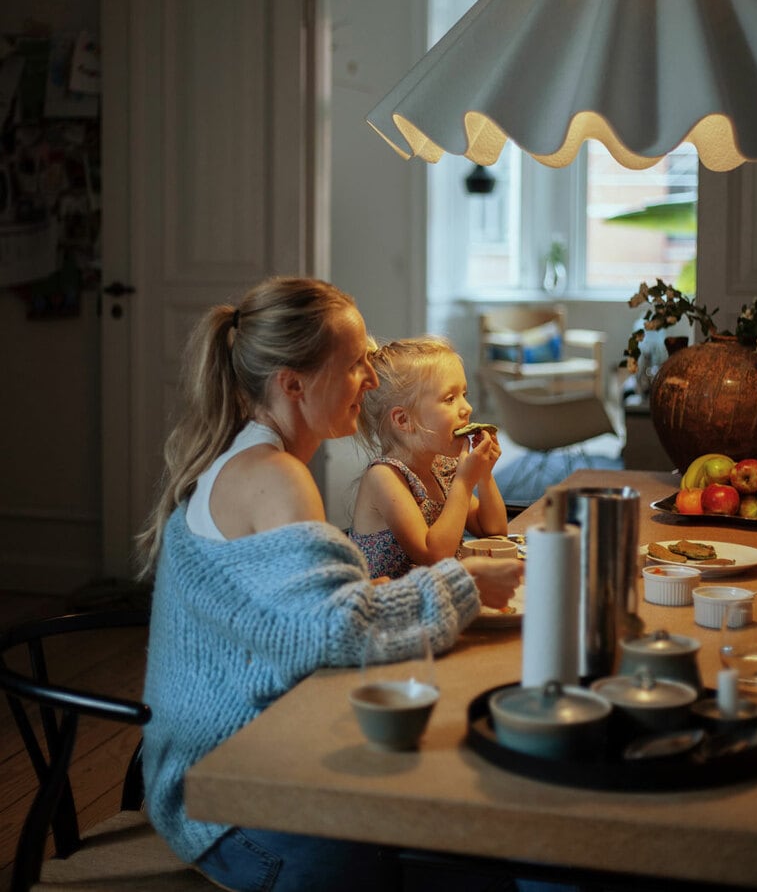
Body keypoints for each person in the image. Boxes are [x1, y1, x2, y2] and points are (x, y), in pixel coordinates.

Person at [137, 276, 522, 892]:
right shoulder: (273, 477)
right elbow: (340, 630)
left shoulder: (255, 457)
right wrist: (465, 582)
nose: (371, 379)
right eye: (356, 363)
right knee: (485, 858)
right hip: (233, 806)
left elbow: (322, 616)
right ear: (293, 384)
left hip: (242, 767)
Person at [349, 336, 508, 579]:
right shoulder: (384, 477)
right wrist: (464, 483)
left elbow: (494, 533)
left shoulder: (441, 466)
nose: (467, 408)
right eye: (449, 399)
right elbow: (433, 556)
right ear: (404, 420)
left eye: (464, 394)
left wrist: (484, 475)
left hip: (437, 601)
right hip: (393, 611)